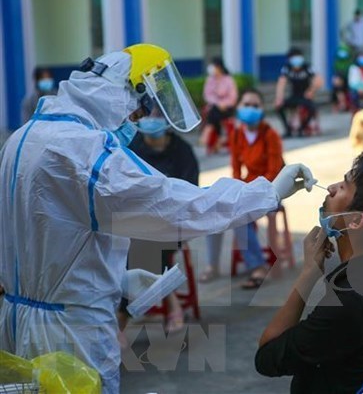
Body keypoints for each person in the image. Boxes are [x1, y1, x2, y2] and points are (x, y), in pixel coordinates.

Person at [0, 43, 316, 393]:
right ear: (122, 95)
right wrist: (267, 193)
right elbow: (176, 206)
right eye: (136, 113)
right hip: (72, 333)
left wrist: (114, 279)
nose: (134, 124)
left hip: (19, 321)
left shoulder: (21, 138)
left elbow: (46, 238)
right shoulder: (86, 153)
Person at [255, 150, 363, 393]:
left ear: (357, 220)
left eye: (344, 187)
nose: (330, 188)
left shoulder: (351, 299)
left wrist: (308, 274)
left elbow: (266, 357)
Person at [122, 113, 199, 333]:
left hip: (173, 222)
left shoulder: (182, 151)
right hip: (137, 222)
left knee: (149, 242)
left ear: (167, 120)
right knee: (129, 242)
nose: (151, 120)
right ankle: (169, 295)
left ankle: (122, 316)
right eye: (147, 115)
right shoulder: (132, 148)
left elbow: (189, 193)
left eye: (156, 115)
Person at [204, 89, 285, 288]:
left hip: (270, 191)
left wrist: (250, 191)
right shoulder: (237, 134)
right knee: (213, 209)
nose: (250, 109)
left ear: (262, 110)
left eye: (255, 105)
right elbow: (235, 168)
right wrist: (235, 189)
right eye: (246, 104)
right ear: (239, 107)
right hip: (246, 188)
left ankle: (257, 265)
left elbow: (274, 172)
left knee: (240, 216)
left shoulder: (270, 135)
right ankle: (212, 264)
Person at [275, 48, 323, 138]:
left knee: (312, 109)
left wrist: (311, 90)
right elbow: (281, 83)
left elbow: (319, 80)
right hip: (294, 96)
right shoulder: (287, 68)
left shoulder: (307, 67)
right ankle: (288, 130)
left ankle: (302, 129)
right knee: (279, 108)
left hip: (306, 96)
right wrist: (279, 98)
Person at [201, 57, 238, 154]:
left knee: (214, 113)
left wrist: (224, 104)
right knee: (214, 110)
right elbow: (207, 95)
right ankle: (220, 137)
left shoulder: (228, 80)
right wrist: (218, 103)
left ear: (219, 67)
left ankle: (208, 131)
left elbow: (233, 97)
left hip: (227, 108)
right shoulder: (210, 80)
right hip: (214, 107)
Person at [332, 46, 353, 112]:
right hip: (340, 78)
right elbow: (335, 72)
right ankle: (339, 105)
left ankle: (348, 105)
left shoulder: (350, 61)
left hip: (348, 79)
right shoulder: (337, 61)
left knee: (348, 91)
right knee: (337, 89)